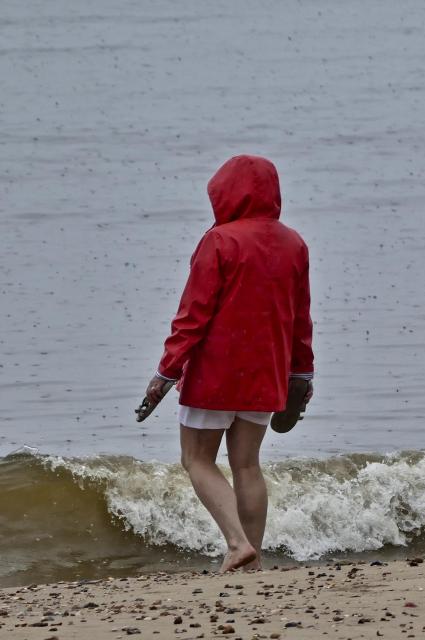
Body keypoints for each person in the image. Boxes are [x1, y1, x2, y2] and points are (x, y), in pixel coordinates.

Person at [144, 155, 314, 571]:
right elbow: (300, 318)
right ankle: (251, 561)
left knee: (197, 459)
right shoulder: (294, 243)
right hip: (266, 372)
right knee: (247, 464)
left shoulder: (219, 241)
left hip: (215, 373)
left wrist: (166, 372)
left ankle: (237, 544)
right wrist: (302, 374)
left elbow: (192, 316)